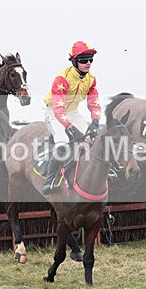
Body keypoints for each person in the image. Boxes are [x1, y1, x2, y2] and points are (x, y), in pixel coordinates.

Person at [41, 40, 101, 194]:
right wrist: (71, 128)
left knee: (92, 140)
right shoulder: (62, 79)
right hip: (54, 113)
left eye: (90, 60)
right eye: (83, 60)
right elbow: (58, 110)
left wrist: (95, 122)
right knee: (62, 144)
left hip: (73, 113)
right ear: (74, 61)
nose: (88, 63)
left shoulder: (91, 79)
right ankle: (50, 179)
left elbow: (94, 103)